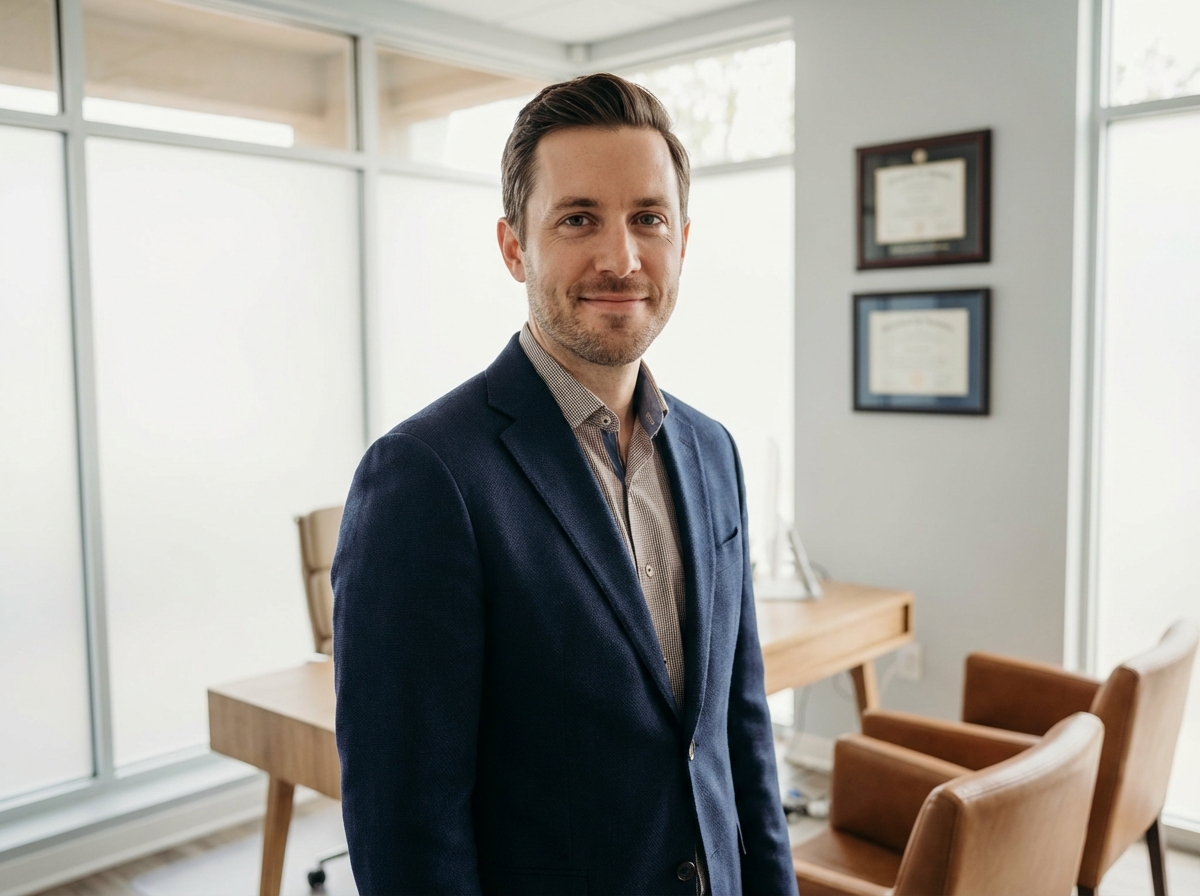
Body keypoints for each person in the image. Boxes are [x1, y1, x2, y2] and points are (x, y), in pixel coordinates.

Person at [332, 73, 798, 896]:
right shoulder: (424, 477)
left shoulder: (713, 451)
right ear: (515, 246)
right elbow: (407, 821)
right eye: (578, 218)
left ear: (682, 241)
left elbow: (739, 733)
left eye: (647, 219)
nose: (620, 258)